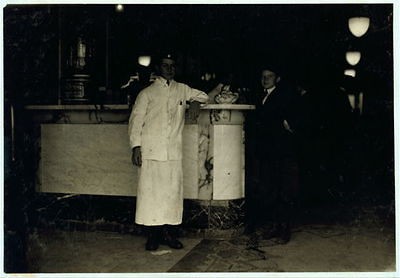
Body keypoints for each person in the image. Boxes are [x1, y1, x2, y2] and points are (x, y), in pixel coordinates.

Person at [128, 53, 209, 251]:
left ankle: (169, 234)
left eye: (172, 66)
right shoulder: (146, 93)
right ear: (158, 68)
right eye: (165, 66)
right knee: (151, 195)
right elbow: (135, 121)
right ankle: (153, 236)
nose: (170, 69)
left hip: (173, 152)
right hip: (151, 151)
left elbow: (203, 95)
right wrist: (136, 147)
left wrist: (196, 103)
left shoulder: (182, 89)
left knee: (171, 194)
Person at [245, 65, 300, 244]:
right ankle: (275, 227)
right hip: (267, 152)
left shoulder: (285, 95)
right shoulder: (260, 96)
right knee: (270, 191)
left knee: (284, 191)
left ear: (277, 79)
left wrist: (288, 125)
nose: (265, 79)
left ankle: (284, 230)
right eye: (263, 76)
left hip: (282, 152)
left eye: (269, 76)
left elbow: (292, 120)